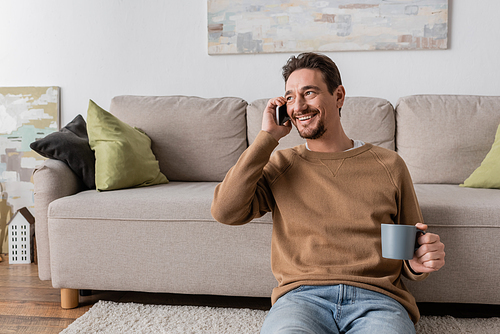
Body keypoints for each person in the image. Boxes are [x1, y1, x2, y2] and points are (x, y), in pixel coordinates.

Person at [211, 52, 445, 334]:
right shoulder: (281, 165)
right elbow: (225, 211)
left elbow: (409, 251)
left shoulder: (389, 165)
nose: (298, 106)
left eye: (309, 93)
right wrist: (267, 138)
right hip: (301, 299)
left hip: (378, 300)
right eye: (290, 97)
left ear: (338, 96)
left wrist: (418, 263)